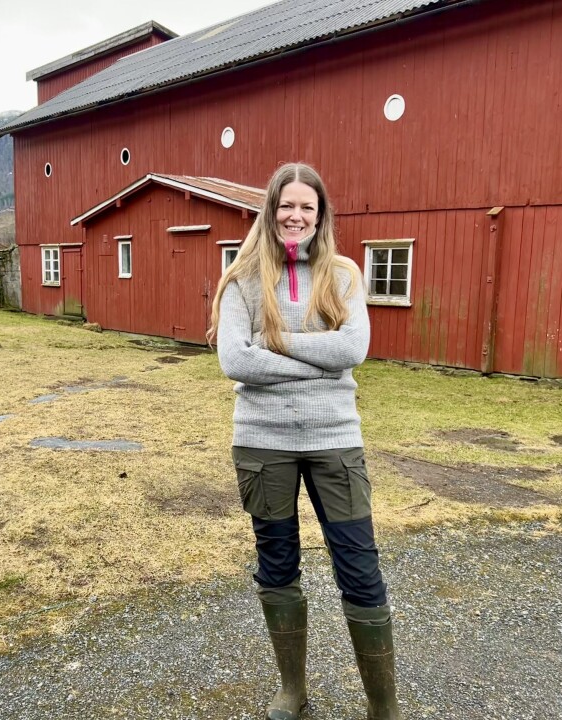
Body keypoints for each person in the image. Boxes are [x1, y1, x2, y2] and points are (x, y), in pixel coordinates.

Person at [208, 163, 402, 720]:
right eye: (285, 206)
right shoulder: (241, 279)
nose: (296, 216)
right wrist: (317, 361)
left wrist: (276, 342)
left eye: (306, 207)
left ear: (321, 215)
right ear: (270, 212)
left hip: (335, 439)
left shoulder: (343, 275)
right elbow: (234, 359)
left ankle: (382, 706)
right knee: (277, 565)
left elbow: (353, 350)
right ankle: (293, 691)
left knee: (359, 565)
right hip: (262, 443)